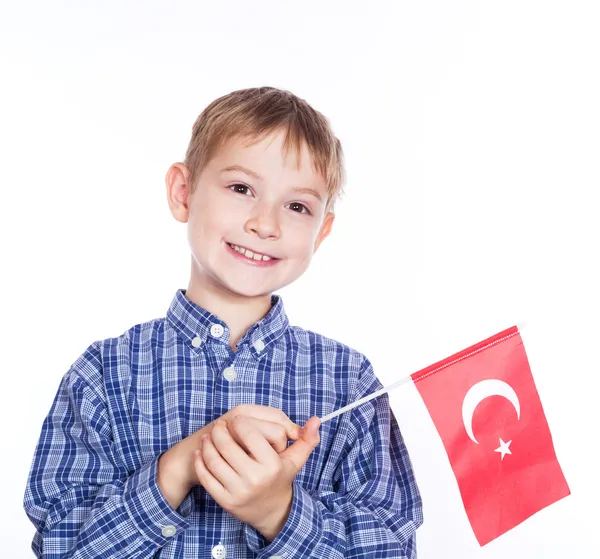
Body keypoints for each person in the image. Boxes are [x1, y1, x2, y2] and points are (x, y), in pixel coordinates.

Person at [23, 86, 423, 558]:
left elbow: (392, 547)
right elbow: (60, 546)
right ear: (183, 191)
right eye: (241, 189)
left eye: (297, 206)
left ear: (322, 232)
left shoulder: (349, 383)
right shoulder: (103, 375)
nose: (265, 223)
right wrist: (175, 471)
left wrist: (279, 512)